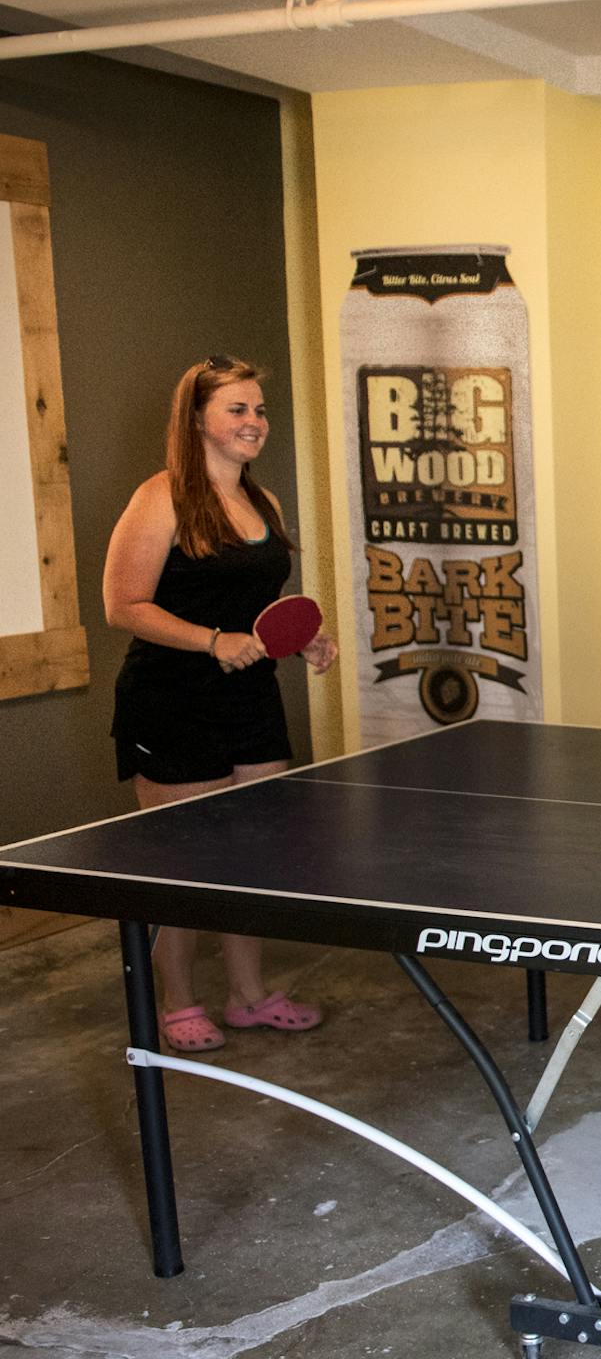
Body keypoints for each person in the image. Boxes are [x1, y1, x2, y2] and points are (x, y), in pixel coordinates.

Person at [102, 355, 340, 1054]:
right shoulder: (162, 497)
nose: (254, 422)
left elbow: (256, 606)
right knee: (185, 864)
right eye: (237, 409)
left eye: (259, 410)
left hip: (250, 698)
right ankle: (178, 1002)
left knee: (252, 855)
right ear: (197, 419)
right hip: (170, 702)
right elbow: (123, 605)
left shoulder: (263, 503)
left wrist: (302, 639)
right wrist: (211, 641)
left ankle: (249, 995)